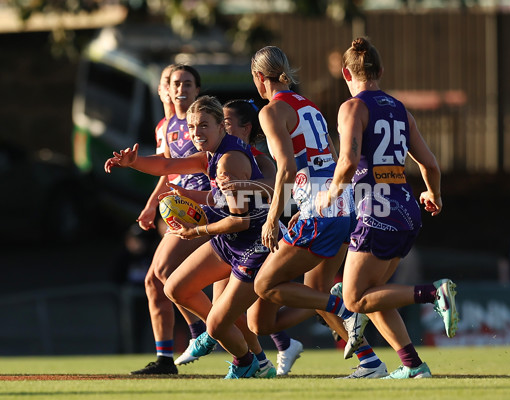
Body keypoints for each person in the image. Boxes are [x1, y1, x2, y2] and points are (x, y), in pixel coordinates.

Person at [316, 37, 458, 379]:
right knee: (371, 295)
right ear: (380, 70)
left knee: (353, 299)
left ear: (346, 73)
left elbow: (348, 163)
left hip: (376, 210)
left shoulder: (352, 108)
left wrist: (330, 195)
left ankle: (433, 293)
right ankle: (413, 366)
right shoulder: (400, 109)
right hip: (406, 209)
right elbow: (431, 166)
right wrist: (434, 195)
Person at [105, 95, 276, 379]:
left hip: (252, 245)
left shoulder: (228, 163)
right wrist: (133, 162)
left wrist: (195, 231)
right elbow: (168, 167)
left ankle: (243, 358)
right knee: (175, 288)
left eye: (204, 126)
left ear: (222, 126)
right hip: (230, 241)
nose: (196, 133)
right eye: (193, 127)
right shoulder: (211, 154)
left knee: (220, 323)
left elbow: (240, 220)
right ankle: (244, 356)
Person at [246, 45, 389, 379]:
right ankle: (370, 361)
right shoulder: (308, 106)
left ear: (258, 77)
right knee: (269, 317)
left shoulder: (271, 111)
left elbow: (286, 166)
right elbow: (329, 160)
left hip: (321, 210)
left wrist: (274, 217)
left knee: (264, 285)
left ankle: (343, 307)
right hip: (342, 204)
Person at [125, 64, 211, 375]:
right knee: (155, 280)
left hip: (204, 210)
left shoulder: (201, 120)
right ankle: (166, 359)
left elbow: (206, 164)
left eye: (187, 83)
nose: (180, 88)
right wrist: (151, 206)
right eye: (175, 83)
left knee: (161, 273)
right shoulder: (165, 126)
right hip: (182, 208)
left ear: (197, 89)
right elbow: (166, 169)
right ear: (166, 89)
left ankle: (204, 329)